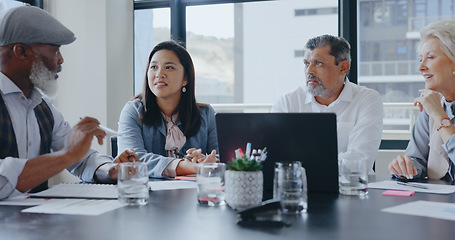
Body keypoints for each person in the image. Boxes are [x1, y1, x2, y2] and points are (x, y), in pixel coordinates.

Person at [0, 6, 138, 200]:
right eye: (55, 50)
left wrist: (110, 170)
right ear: (21, 52)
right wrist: (67, 155)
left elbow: (81, 159)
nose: (61, 60)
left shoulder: (43, 107)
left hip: (33, 224)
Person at [272, 34, 383, 171]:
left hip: (351, 189)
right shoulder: (287, 103)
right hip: (299, 189)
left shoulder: (367, 100)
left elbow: (359, 162)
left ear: (343, 67)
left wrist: (300, 165)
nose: (309, 71)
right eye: (306, 63)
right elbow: (274, 156)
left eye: (318, 63)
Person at [118, 41, 218, 178]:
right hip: (147, 194)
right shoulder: (133, 111)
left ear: (186, 79)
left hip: (194, 194)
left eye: (169, 67)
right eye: (153, 67)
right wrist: (184, 166)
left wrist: (204, 160)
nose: (159, 74)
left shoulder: (206, 114)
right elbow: (132, 160)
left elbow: (221, 158)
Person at [388, 20, 455, 181]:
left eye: (430, 57)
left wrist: (439, 116)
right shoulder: (432, 106)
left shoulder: (435, 109)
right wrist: (406, 166)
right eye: (420, 59)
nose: (420, 67)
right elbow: (417, 158)